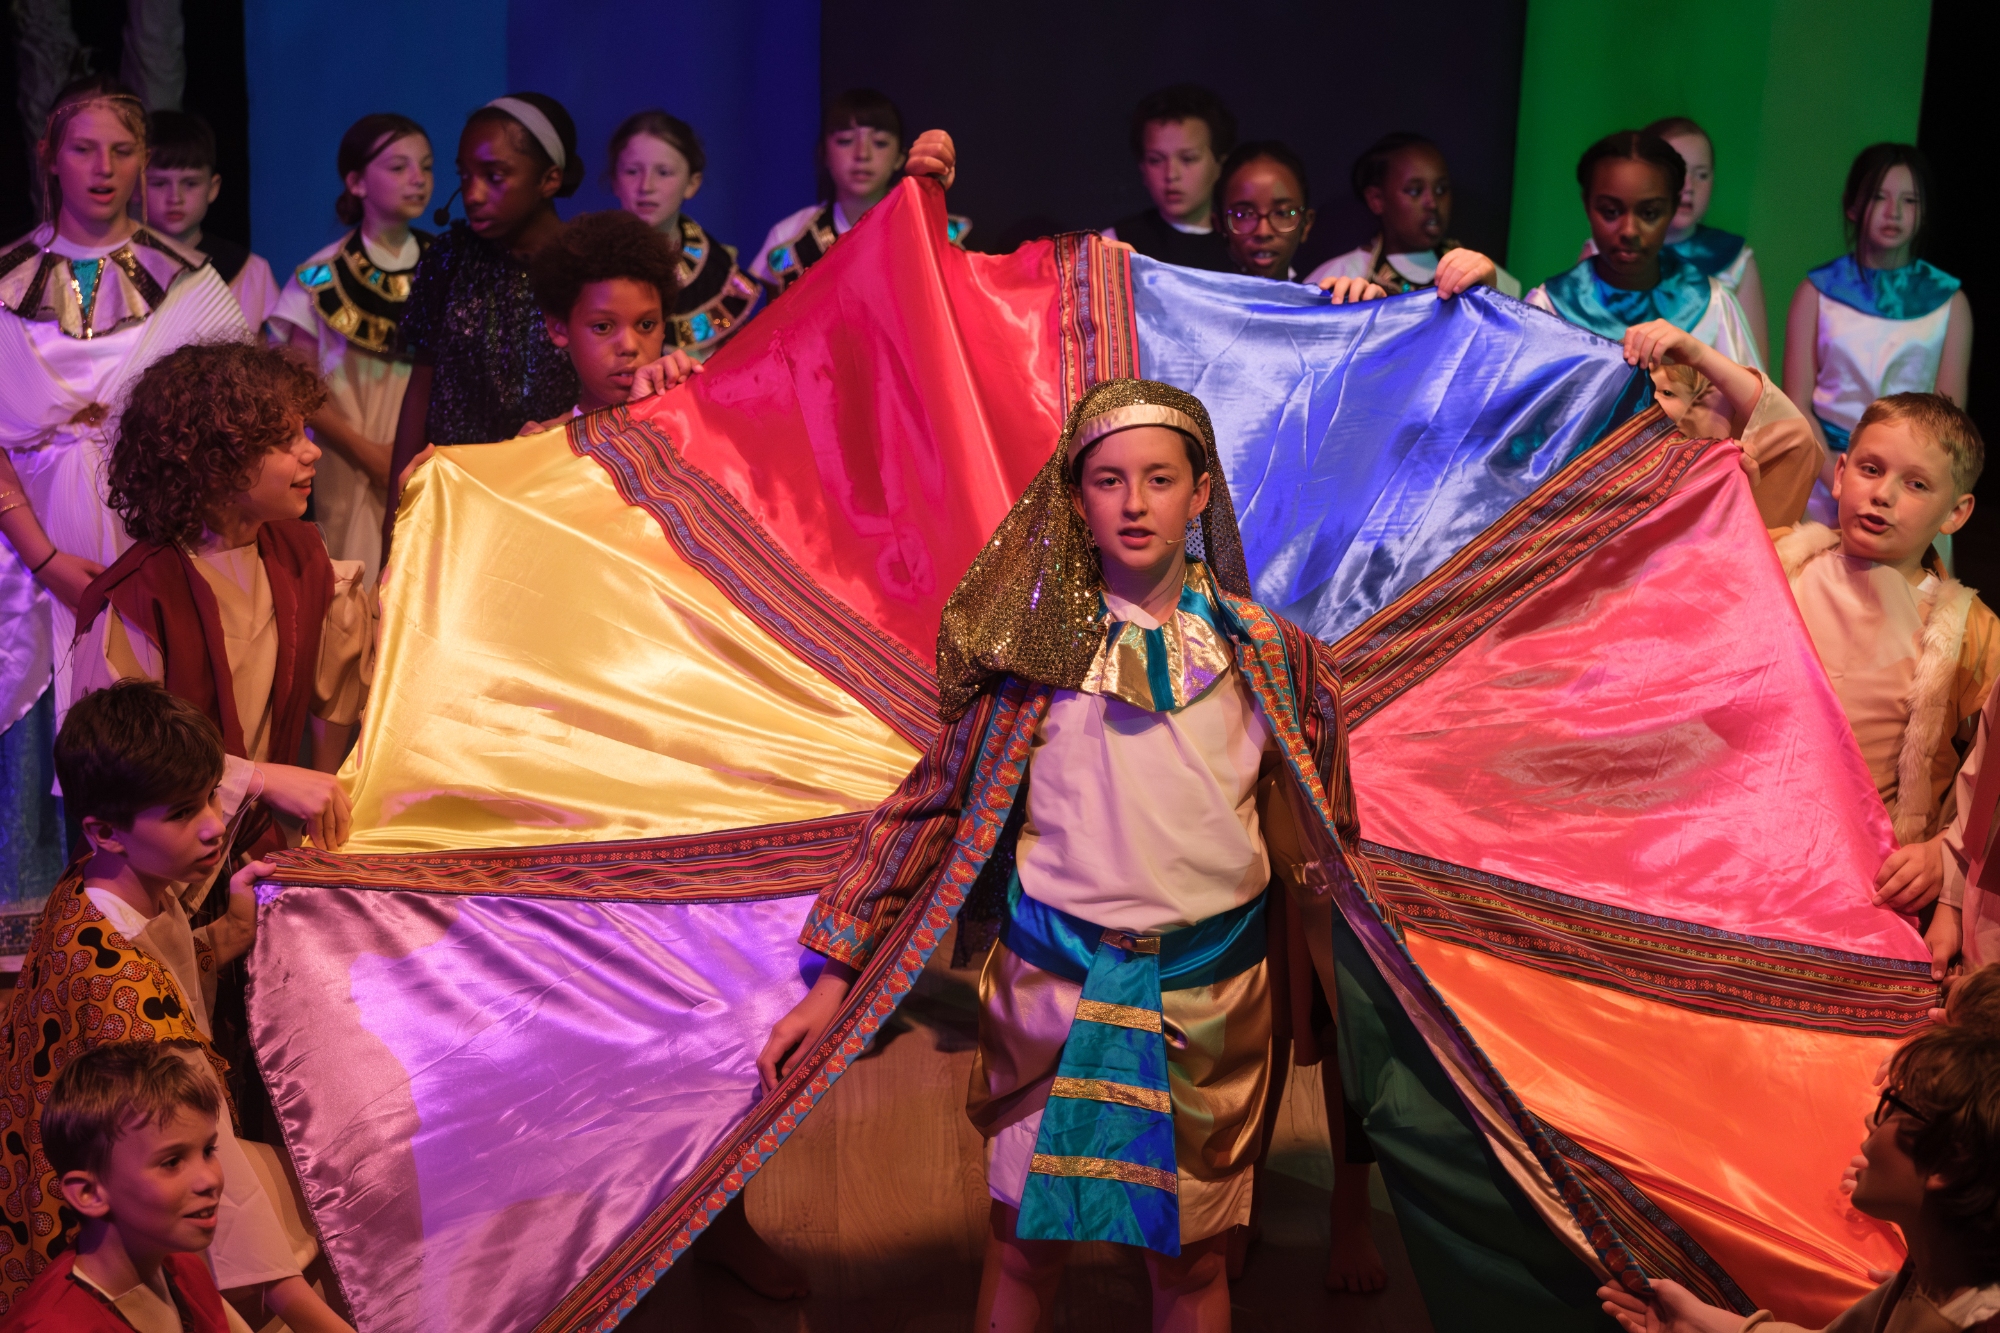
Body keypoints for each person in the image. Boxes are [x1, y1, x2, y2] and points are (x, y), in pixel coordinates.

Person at [757, 379, 1375, 1332]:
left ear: (1200, 493)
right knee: (1023, 1245)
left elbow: (1332, 835)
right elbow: (931, 805)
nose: (1135, 503)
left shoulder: (1274, 658)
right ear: (1076, 501)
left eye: (1160, 478)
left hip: (1209, 999)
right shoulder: (1031, 664)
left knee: (1192, 1262)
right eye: (1108, 480)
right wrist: (833, 976)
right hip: (1053, 987)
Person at [0, 683, 353, 1331]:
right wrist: (310, 1314)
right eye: (184, 812)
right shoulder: (134, 1009)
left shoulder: (91, 886)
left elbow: (161, 964)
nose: (215, 825)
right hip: (95, 1238)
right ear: (106, 831)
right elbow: (215, 1175)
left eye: (211, 796)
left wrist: (227, 934)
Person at [0, 75, 246, 731]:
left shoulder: (189, 282)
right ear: (49, 155)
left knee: (158, 735)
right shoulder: (5, 284)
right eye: (83, 148)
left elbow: (232, 426)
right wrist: (45, 561)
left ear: (142, 159)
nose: (103, 168)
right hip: (24, 559)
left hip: (157, 544)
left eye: (122, 150)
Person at [71, 340, 364, 858]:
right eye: (284, 440)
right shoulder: (142, 596)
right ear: (214, 463)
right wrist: (260, 779)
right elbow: (126, 762)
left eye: (304, 432)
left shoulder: (304, 559)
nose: (312, 451)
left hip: (267, 851)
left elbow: (340, 696)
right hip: (162, 867)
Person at [1772, 393, 1995, 979]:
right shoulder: (1777, 562)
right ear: (1841, 473)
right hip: (1753, 839)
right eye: (1871, 469)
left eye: (1916, 485)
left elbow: (1990, 778)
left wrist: (1945, 860)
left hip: (1869, 879)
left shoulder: (1972, 633)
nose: (1884, 494)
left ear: (1956, 513)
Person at [1597, 1022, 2000, 1333]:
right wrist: (1698, 1321)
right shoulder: (1936, 1273)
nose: (1869, 1119)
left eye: (1894, 1108)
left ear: (1946, 1165)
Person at [383, 93, 583, 557]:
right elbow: (420, 394)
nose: (472, 195)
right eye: (464, 176)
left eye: (494, 176)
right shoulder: (449, 259)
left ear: (549, 179)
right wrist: (395, 525)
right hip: (458, 503)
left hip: (555, 502)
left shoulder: (585, 267)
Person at [270, 112, 434, 585]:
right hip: (344, 461)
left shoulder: (448, 267)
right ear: (357, 181)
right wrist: (371, 455)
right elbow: (298, 387)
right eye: (399, 167)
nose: (417, 178)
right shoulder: (319, 276)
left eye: (426, 166)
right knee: (350, 581)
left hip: (428, 455)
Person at [1785, 144, 1974, 526]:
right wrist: (1840, 480)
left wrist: (1906, 484)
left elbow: (1951, 420)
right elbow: (1796, 404)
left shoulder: (1950, 303)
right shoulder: (1816, 292)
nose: (1895, 212)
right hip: (1824, 479)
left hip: (1909, 491)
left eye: (1910, 200)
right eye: (1878, 197)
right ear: (1852, 206)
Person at [3, 1042, 248, 1331]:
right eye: (171, 1162)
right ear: (89, 1193)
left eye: (208, 1151)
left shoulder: (186, 1270)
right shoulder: (52, 1326)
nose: (210, 1180)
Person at [1527, 130, 1762, 369]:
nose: (1629, 231)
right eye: (1611, 212)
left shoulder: (1711, 305)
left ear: (1672, 208)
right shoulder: (1549, 308)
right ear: (1587, 205)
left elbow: (1749, 391)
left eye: (1649, 213)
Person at [749, 89, 967, 294]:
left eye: (880, 143)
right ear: (824, 153)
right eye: (845, 141)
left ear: (900, 157)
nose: (862, 154)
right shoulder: (790, 237)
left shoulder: (933, 233)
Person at [1620, 319, 1821, 528]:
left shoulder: (1707, 481)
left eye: (1667, 393)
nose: (1650, 400)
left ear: (1699, 416)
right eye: (1635, 391)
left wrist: (1699, 355)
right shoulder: (1600, 477)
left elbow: (1794, 437)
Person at [606, 109, 761, 360]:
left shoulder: (716, 273)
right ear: (614, 179)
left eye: (664, 172)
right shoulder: (586, 263)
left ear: (692, 183)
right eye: (632, 171)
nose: (646, 186)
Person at [523, 209, 700, 427]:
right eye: (602, 327)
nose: (629, 346)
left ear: (663, 325)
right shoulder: (542, 443)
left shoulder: (691, 429)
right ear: (559, 328)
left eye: (646, 325)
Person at [1306, 132, 1522, 298]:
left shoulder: (1480, 274)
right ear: (1377, 200)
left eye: (1441, 189)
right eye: (1415, 191)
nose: (1432, 203)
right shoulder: (1340, 275)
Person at [142, 109, 280, 338]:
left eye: (190, 183)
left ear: (213, 188)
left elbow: (262, 351)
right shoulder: (116, 267)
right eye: (159, 183)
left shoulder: (248, 270)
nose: (175, 198)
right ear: (136, 188)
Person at [1102, 84, 1236, 272]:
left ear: (1219, 165)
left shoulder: (1244, 245)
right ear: (1142, 168)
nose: (1171, 174)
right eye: (1156, 160)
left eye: (1188, 159)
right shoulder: (1115, 245)